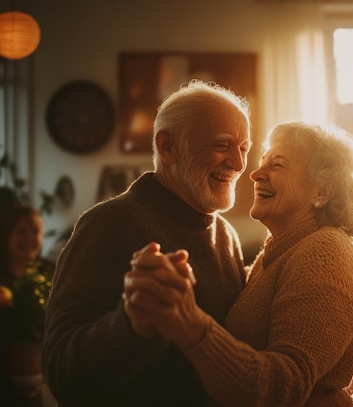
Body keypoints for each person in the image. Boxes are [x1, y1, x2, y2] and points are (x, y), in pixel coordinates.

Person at [123, 121, 353, 406]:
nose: (255, 173)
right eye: (262, 162)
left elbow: (283, 386)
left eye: (278, 165)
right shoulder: (281, 252)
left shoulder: (326, 252)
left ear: (322, 193)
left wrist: (191, 324)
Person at [42, 80, 252, 407]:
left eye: (243, 149)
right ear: (168, 147)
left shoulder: (227, 235)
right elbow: (60, 373)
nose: (239, 165)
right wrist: (132, 325)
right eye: (222, 145)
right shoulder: (108, 224)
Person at [0, 204, 55, 406]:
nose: (29, 238)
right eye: (21, 231)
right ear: (7, 235)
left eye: (35, 231)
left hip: (40, 377)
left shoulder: (50, 272)